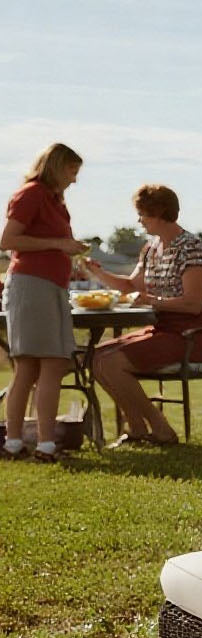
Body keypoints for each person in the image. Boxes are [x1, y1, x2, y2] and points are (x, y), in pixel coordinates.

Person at [82, 184, 202, 447]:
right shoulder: (151, 248)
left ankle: (161, 430)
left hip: (192, 335)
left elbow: (192, 304)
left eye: (143, 214)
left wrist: (152, 301)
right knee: (95, 356)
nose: (139, 220)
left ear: (159, 212)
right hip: (162, 330)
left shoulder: (192, 248)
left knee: (110, 363)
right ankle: (137, 429)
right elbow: (132, 286)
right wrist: (97, 272)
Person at [0, 143, 90, 463]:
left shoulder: (53, 200)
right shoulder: (32, 194)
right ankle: (45, 446)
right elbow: (8, 241)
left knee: (29, 366)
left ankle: (15, 444)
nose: (74, 180)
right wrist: (59, 244)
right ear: (55, 166)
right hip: (33, 287)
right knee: (49, 363)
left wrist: (68, 253)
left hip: (47, 287)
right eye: (72, 172)